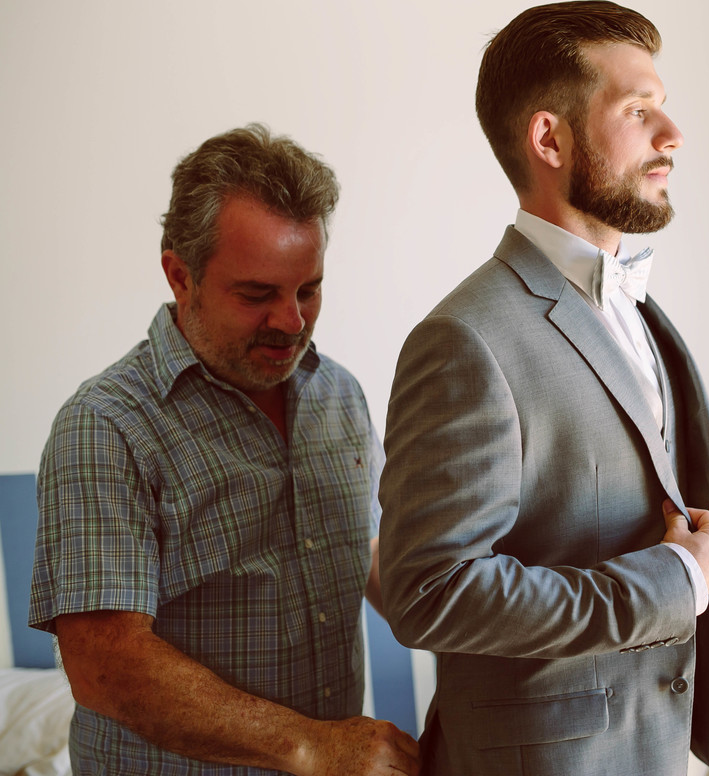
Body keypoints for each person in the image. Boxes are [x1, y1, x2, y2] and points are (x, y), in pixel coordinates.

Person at [378, 0, 709, 776]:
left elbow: (640, 508)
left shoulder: (639, 309)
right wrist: (675, 579)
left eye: (663, 106)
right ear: (549, 139)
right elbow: (429, 593)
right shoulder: (464, 340)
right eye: (639, 110)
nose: (673, 134)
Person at [28, 124, 419, 776]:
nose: (292, 321)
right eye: (257, 294)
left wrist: (495, 618)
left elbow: (369, 550)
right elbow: (105, 665)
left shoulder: (339, 394)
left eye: (308, 289)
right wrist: (312, 746)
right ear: (180, 276)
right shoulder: (106, 426)